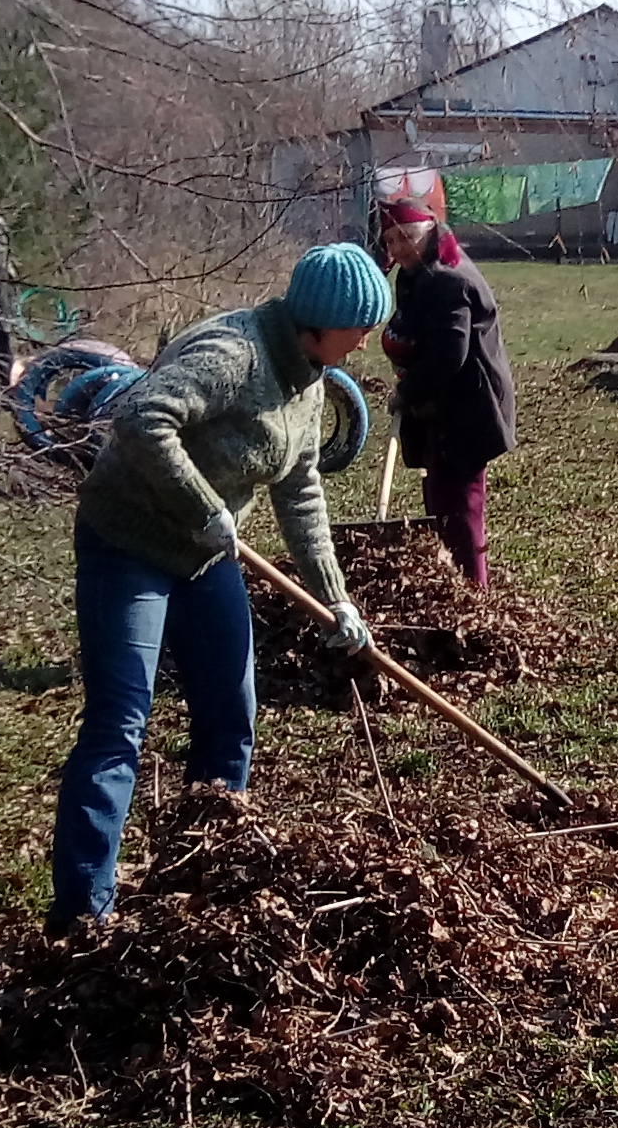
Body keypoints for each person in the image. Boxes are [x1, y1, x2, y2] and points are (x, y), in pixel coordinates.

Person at [47, 241, 388, 933]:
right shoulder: (236, 357)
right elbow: (141, 416)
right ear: (322, 320)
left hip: (206, 558)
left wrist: (336, 599)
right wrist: (203, 507)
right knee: (121, 723)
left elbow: (300, 489)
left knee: (230, 711)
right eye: (362, 326)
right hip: (130, 544)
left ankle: (205, 873)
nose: (367, 340)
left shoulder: (309, 374)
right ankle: (81, 910)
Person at [374, 194, 517, 587]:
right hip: (443, 407)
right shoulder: (418, 273)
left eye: (406, 237)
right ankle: (454, 580)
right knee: (441, 497)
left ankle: (473, 590)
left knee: (459, 505)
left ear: (430, 232)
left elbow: (449, 354)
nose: (398, 248)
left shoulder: (446, 279)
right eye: (390, 241)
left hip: (469, 409)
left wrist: (409, 392)